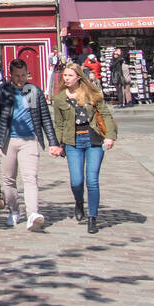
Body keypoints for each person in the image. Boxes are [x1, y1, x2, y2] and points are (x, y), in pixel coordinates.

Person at [0, 58, 61, 231]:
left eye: (24, 75)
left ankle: (33, 214)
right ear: (10, 75)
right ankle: (14, 211)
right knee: (9, 180)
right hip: (6, 140)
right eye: (17, 75)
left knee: (30, 178)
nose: (21, 79)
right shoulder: (2, 92)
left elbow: (45, 118)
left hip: (29, 140)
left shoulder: (33, 91)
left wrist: (53, 142)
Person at [51, 62, 117, 234]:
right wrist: (57, 144)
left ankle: (92, 218)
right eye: (65, 75)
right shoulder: (59, 99)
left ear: (78, 77)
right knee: (76, 181)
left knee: (92, 180)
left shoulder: (92, 93)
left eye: (70, 75)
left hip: (93, 139)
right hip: (72, 141)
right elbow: (58, 124)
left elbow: (105, 115)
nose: (66, 78)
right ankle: (79, 201)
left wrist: (110, 136)